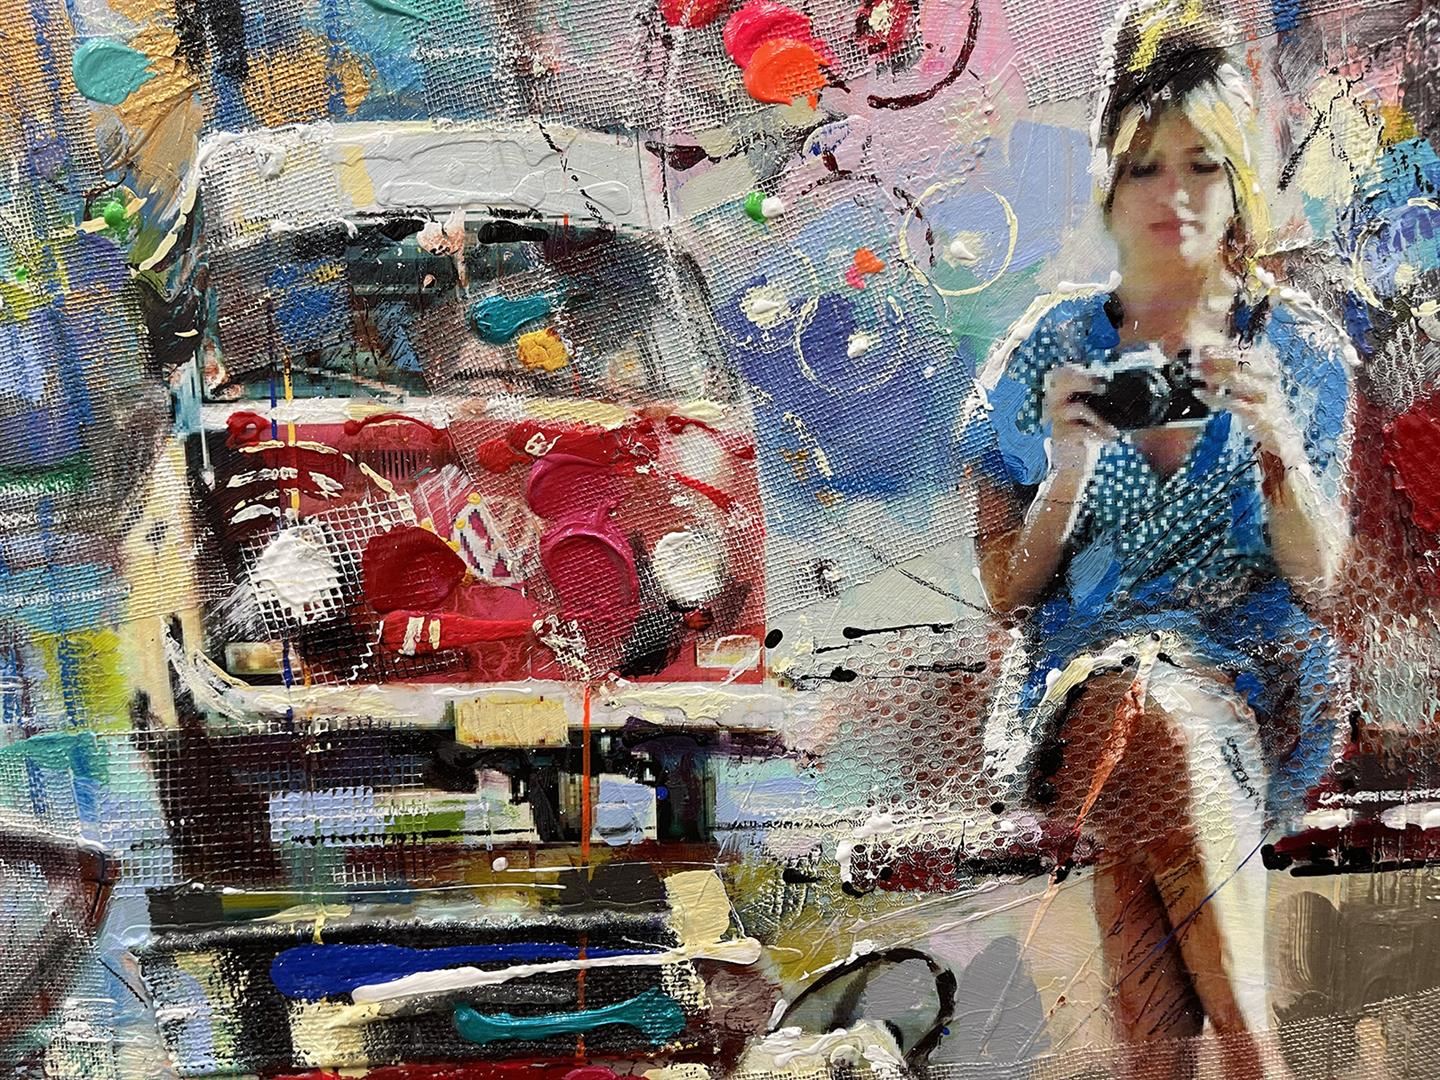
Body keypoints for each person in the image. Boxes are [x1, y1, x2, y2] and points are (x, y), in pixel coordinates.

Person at [964, 4, 1355, 1076]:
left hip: (1261, 686)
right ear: (1108, 182)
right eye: (1144, 168)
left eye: (1200, 166)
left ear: (1238, 184)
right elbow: (1007, 590)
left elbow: (1321, 578)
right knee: (1147, 709)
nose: (1172, 195)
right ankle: (1257, 1060)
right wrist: (1069, 467)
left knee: (1158, 745)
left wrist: (1277, 444)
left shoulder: (1296, 347)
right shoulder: (1048, 348)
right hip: (1080, 695)